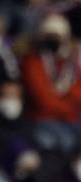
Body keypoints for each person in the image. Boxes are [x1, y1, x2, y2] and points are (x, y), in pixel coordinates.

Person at [23, 14, 81, 156]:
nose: (53, 40)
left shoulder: (73, 62)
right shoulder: (33, 61)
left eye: (57, 36)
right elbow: (44, 100)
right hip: (44, 120)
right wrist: (70, 106)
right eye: (49, 36)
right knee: (64, 143)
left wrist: (67, 91)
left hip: (73, 119)